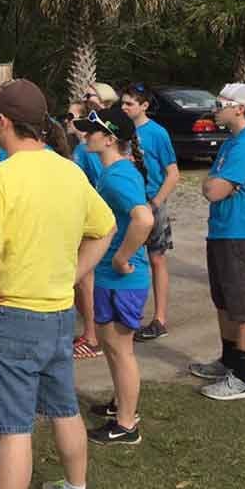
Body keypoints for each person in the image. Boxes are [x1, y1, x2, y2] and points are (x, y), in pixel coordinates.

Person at [0, 79, 116, 489]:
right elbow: (105, 228)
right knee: (65, 409)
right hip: (59, 315)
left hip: (9, 316)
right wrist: (72, 274)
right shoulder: (70, 171)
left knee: (15, 429)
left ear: (3, 121)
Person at [74, 106, 154, 446]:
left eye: (90, 131)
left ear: (109, 139)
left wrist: (122, 259)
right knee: (111, 346)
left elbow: (144, 219)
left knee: (121, 351)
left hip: (122, 279)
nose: (84, 135)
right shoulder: (114, 172)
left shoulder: (118, 175)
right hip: (110, 277)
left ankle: (126, 424)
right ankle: (121, 404)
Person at [191, 83, 245, 401]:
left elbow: (213, 190)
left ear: (239, 108)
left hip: (243, 233)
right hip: (223, 230)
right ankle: (228, 362)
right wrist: (215, 184)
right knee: (224, 302)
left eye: (220, 103)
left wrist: (216, 185)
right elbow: (210, 183)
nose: (215, 108)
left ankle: (243, 377)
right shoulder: (231, 143)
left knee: (243, 306)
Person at [120, 84, 180, 342]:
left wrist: (156, 202)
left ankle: (160, 318)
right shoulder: (120, 131)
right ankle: (127, 315)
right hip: (129, 203)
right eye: (122, 103)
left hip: (151, 202)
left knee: (156, 259)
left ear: (144, 106)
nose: (124, 108)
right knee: (127, 258)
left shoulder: (157, 133)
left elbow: (173, 173)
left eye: (129, 104)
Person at [68, 99, 105, 361]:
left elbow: (97, 183)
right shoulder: (82, 148)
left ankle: (92, 337)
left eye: (73, 117)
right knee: (81, 281)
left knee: (85, 280)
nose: (69, 121)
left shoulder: (86, 151)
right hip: (82, 219)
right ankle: (90, 332)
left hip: (87, 221)